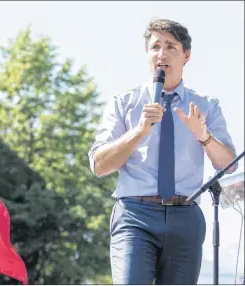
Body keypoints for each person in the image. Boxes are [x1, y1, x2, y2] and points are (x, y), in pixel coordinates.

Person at [88, 18, 238, 284]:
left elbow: (229, 164)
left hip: (186, 216)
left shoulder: (206, 106)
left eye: (170, 46)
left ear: (186, 56)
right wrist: (139, 132)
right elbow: (99, 165)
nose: (162, 54)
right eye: (155, 46)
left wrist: (203, 136)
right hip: (135, 216)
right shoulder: (124, 103)